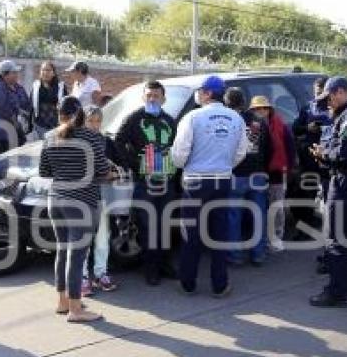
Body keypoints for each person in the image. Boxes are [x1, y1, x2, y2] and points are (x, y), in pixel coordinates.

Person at [171, 75, 248, 297]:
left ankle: (187, 283)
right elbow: (241, 152)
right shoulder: (235, 118)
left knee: (191, 233)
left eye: (200, 91)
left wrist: (186, 166)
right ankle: (220, 284)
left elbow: (179, 154)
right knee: (219, 233)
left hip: (195, 181)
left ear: (206, 93)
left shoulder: (193, 117)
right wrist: (224, 165)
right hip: (222, 180)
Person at [39, 97, 108, 322]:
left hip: (56, 199)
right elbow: (102, 171)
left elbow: (44, 172)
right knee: (76, 256)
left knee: (62, 251)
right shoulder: (90, 136)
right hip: (81, 202)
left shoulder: (49, 136)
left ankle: (63, 302)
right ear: (80, 113)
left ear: (59, 113)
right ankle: (76, 310)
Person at [308, 77, 347, 307]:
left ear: (340, 92)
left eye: (329, 98)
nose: (328, 104)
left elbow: (344, 153)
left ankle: (336, 290)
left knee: (336, 237)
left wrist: (322, 154)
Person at [115, 80, 178, 285]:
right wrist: (133, 164)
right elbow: (118, 141)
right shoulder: (134, 118)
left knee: (166, 224)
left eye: (156, 96)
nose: (152, 99)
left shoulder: (170, 121)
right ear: (143, 97)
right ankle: (151, 270)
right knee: (147, 225)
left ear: (163, 98)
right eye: (148, 95)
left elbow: (179, 146)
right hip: (144, 182)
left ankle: (165, 264)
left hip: (167, 181)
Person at [225, 88, 272, 266]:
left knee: (233, 216)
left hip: (236, 175)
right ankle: (258, 254)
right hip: (258, 175)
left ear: (227, 102)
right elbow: (268, 149)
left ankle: (235, 256)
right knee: (258, 215)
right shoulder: (258, 121)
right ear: (244, 102)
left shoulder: (227, 121)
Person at [80, 105, 120, 295]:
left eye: (98, 121)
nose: (95, 125)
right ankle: (81, 276)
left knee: (103, 236)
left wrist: (112, 173)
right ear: (83, 121)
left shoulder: (106, 141)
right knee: (83, 238)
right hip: (82, 196)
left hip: (103, 195)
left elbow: (115, 167)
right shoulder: (77, 142)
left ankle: (100, 272)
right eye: (90, 121)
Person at [248, 96, 295, 252]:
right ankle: (260, 238)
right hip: (258, 172)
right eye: (257, 108)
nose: (261, 111)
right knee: (260, 207)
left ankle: (276, 238)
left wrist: (288, 170)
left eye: (264, 108)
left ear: (269, 109)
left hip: (276, 172)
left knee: (276, 206)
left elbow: (290, 149)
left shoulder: (280, 125)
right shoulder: (253, 126)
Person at [291, 76, 332, 242]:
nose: (319, 96)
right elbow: (295, 128)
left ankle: (332, 235)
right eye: (316, 92)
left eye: (322, 92)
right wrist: (307, 127)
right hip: (309, 157)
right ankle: (305, 230)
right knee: (305, 194)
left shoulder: (336, 108)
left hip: (329, 158)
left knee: (331, 198)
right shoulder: (308, 107)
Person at [0, 60, 32, 153]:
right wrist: (19, 116)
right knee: (7, 159)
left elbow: (27, 103)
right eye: (14, 72)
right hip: (3, 131)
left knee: (20, 155)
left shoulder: (18, 87)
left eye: (17, 72)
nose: (17, 75)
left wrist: (26, 115)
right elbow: (4, 110)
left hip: (17, 129)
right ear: (5, 75)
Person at [29, 60, 67, 140]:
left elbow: (66, 107)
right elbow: (31, 106)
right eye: (43, 70)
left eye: (48, 70)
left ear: (53, 73)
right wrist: (30, 126)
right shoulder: (36, 85)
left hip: (56, 125)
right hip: (39, 125)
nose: (45, 72)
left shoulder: (61, 86)